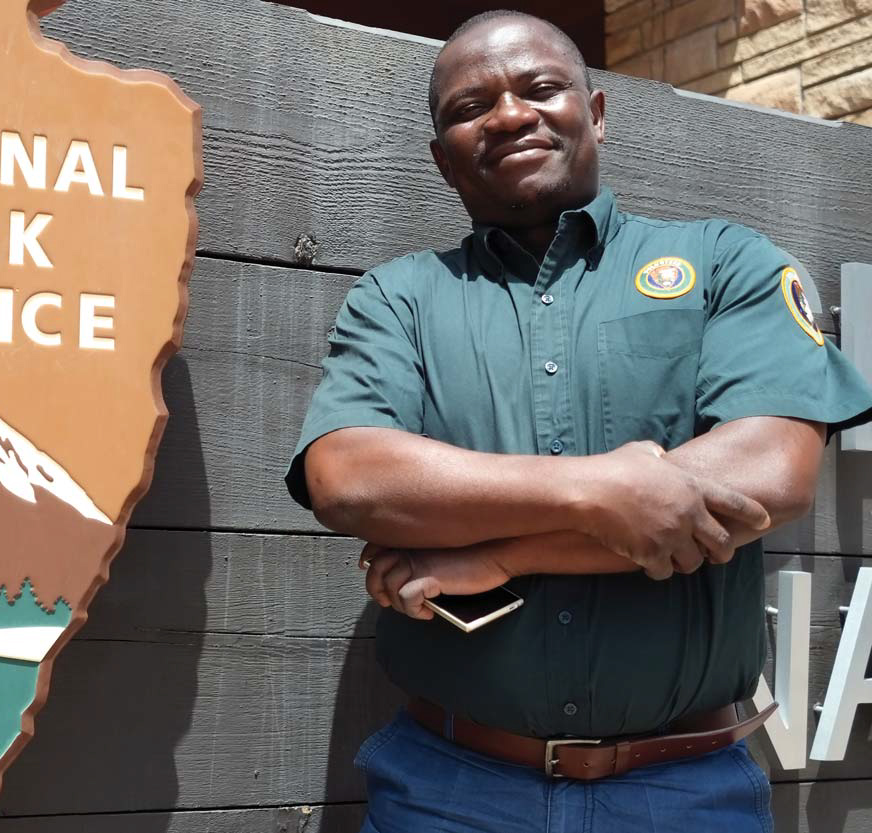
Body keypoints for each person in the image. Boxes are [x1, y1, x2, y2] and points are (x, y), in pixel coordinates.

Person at [284, 10, 872, 833]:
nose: (510, 114)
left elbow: (771, 477)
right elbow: (347, 475)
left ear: (596, 112)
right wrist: (606, 489)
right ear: (442, 158)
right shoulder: (399, 299)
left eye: (540, 88)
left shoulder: (726, 264)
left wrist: (494, 553)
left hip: (687, 793)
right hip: (450, 789)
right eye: (469, 107)